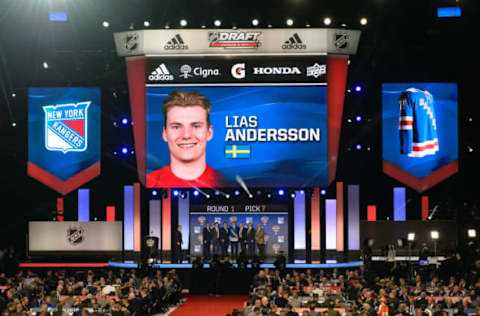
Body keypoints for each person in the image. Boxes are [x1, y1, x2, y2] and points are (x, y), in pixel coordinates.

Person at [146, 89, 225, 188]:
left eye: (196, 126)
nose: (186, 135)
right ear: (165, 133)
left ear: (209, 132)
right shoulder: (148, 183)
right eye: (176, 127)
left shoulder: (226, 182)